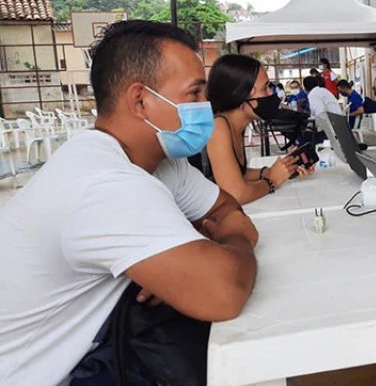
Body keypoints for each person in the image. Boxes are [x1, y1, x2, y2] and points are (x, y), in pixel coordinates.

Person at [0, 20, 259, 384]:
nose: (207, 106)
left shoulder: (161, 163)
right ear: (141, 100)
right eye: (195, 93)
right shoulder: (103, 181)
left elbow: (229, 210)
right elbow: (223, 292)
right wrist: (232, 243)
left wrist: (195, 250)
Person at [205, 54, 313, 205]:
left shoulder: (235, 125)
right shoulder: (219, 128)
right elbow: (236, 194)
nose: (271, 94)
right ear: (240, 94)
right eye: (265, 88)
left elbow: (237, 174)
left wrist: (275, 171)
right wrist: (272, 181)